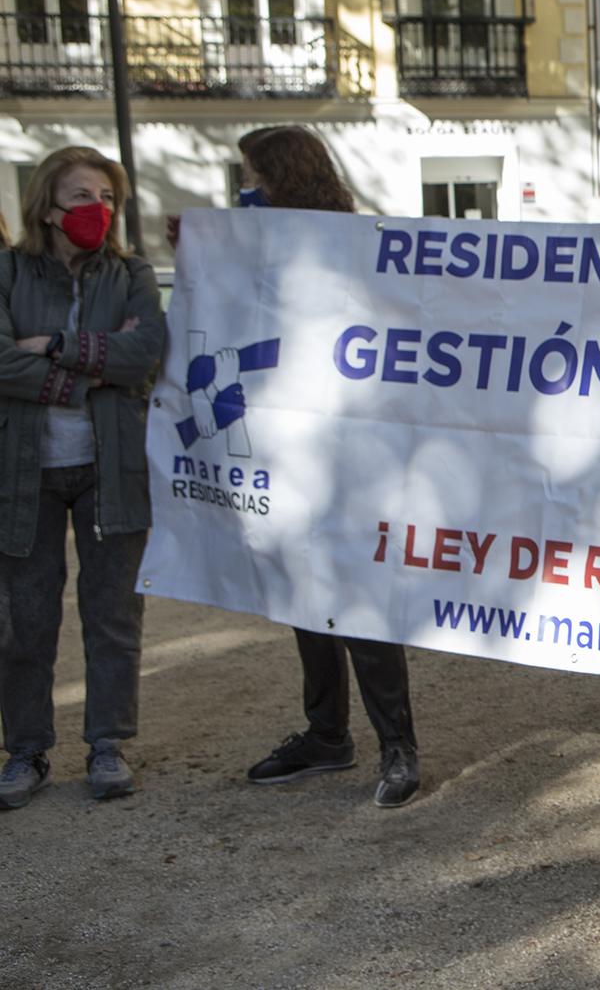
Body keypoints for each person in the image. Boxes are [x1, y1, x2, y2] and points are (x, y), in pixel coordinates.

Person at [219, 126, 423, 809]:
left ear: (278, 175)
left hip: (353, 446)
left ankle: (398, 747)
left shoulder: (359, 244)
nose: (243, 187)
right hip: (287, 444)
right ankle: (327, 733)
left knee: (359, 596)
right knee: (305, 593)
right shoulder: (255, 244)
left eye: (251, 174)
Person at [0, 146, 167, 809]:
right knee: (21, 619)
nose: (95, 210)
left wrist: (50, 348)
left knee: (113, 615)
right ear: (46, 205)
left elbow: (146, 350)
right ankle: (26, 749)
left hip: (112, 468)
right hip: (22, 472)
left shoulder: (130, 274)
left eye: (106, 198)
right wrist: (96, 369)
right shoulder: (8, 271)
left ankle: (107, 743)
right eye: (80, 197)